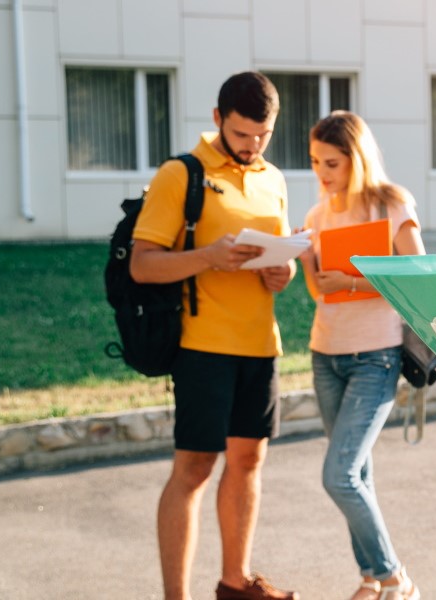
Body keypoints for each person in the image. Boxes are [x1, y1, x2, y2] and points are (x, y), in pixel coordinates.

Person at [131, 71, 299, 600]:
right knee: (195, 468)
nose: (252, 146)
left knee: (248, 461)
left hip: (260, 343)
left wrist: (283, 272)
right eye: (243, 134)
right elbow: (142, 265)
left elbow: (282, 252)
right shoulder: (181, 174)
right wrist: (207, 256)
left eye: (263, 136)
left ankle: (234, 582)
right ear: (217, 120)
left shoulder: (273, 177)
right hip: (203, 345)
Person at [295, 111, 423, 600]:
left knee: (339, 474)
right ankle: (371, 578)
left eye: (331, 162)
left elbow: (415, 275)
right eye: (314, 162)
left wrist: (351, 279)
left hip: (377, 355)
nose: (321, 173)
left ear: (356, 158)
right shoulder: (317, 216)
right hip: (325, 353)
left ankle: (394, 577)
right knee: (358, 472)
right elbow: (318, 293)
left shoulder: (391, 204)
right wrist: (306, 258)